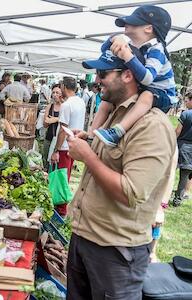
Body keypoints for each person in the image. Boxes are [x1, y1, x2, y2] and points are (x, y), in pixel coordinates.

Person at [65, 44, 176, 300]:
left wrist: (88, 156)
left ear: (127, 75)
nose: (97, 81)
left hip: (115, 251)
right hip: (85, 238)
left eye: (103, 74)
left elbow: (131, 192)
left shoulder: (151, 125)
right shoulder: (115, 115)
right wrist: (90, 143)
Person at [91, 5, 176, 147]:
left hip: (163, 94)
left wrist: (127, 56)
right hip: (146, 87)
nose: (126, 24)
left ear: (148, 28)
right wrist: (115, 38)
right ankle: (90, 134)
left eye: (133, 21)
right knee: (107, 100)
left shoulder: (157, 50)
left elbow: (148, 78)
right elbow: (104, 50)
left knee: (147, 96)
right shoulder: (133, 45)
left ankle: (118, 131)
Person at [50, 77, 85, 216]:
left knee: (60, 177)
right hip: (75, 144)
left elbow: (62, 131)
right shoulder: (80, 101)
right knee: (66, 176)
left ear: (64, 87)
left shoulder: (66, 105)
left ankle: (60, 209)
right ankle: (61, 207)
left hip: (64, 147)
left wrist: (56, 150)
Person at [173, 91, 192, 206]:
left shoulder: (186, 114)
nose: (186, 103)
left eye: (187, 101)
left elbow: (178, 131)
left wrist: (172, 142)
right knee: (185, 176)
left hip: (181, 147)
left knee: (169, 171)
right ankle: (178, 200)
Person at [42, 84, 63, 169]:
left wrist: (56, 119)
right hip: (49, 137)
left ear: (62, 94)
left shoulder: (65, 106)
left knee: (56, 163)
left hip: (60, 139)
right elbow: (45, 124)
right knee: (46, 160)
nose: (55, 95)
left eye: (57, 92)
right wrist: (48, 121)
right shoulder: (49, 107)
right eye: (53, 92)